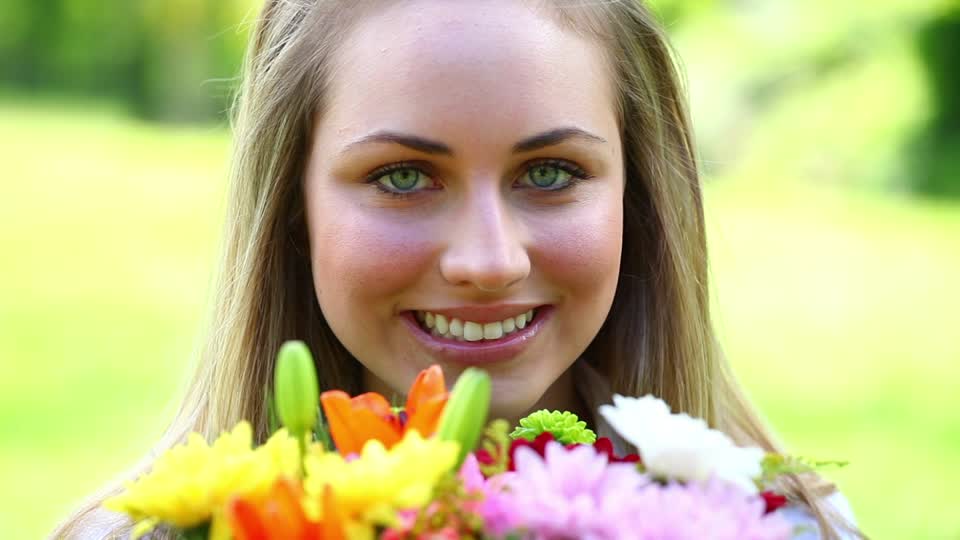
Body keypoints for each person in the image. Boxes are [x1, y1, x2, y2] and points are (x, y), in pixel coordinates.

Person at [53, 1, 864, 538]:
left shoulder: (792, 528)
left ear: (641, 197)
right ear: (292, 206)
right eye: (403, 176)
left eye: (549, 173)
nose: (488, 262)